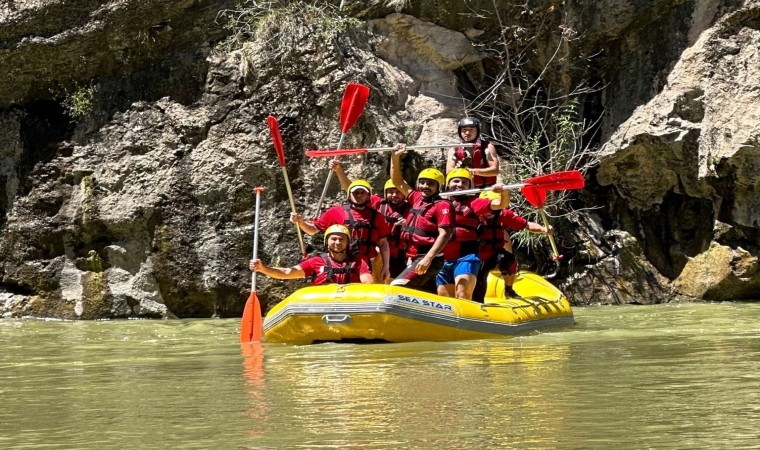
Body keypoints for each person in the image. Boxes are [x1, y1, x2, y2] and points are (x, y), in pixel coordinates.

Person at [291, 179, 391, 282]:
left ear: (368, 195)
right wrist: (301, 222)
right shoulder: (335, 212)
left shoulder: (378, 217)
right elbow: (312, 230)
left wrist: (386, 267)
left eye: (362, 192)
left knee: (371, 291)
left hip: (370, 263)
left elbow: (383, 244)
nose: (359, 195)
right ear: (349, 195)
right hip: (343, 262)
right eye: (356, 192)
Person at [328, 159, 411, 278]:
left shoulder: (412, 207)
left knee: (397, 282)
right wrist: (339, 170)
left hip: (401, 253)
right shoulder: (377, 203)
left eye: (398, 192)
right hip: (381, 253)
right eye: (390, 192)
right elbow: (351, 190)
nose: (394, 195)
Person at [436, 168, 509, 300]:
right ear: (447, 184)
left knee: (463, 294)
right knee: (444, 299)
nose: (459, 185)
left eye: (464, 182)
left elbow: (500, 204)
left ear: (470, 186)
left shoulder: (474, 203)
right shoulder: (437, 202)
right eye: (456, 181)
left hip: (466, 256)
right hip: (443, 258)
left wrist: (503, 193)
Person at [389, 145, 454, 290]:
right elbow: (397, 181)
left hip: (429, 257)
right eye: (422, 182)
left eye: (430, 184)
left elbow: (445, 234)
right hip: (412, 254)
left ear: (439, 186)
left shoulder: (443, 205)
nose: (425, 186)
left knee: (397, 287)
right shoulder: (417, 197)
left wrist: (428, 259)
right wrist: (395, 157)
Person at [471, 192, 552, 302]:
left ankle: (508, 289)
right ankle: (476, 303)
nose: (489, 212)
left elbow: (527, 225)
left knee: (509, 260)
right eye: (487, 208)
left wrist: (543, 229)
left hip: (494, 252)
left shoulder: (504, 215)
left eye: (493, 209)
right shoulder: (471, 216)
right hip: (476, 253)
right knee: (480, 279)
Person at [250, 224, 373, 284]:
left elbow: (368, 283)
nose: (337, 242)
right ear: (326, 242)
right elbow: (287, 272)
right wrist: (263, 268)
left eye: (341, 239)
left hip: (349, 304)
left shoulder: (358, 261)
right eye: (334, 239)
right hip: (321, 305)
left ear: (348, 243)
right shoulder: (316, 262)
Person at [446, 117, 500, 189]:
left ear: (477, 131)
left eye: (471, 130)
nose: (467, 133)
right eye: (464, 130)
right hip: (463, 188)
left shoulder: (487, 147)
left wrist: (473, 171)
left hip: (485, 188)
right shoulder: (454, 149)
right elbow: (449, 171)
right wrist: (460, 170)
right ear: (460, 131)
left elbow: (495, 171)